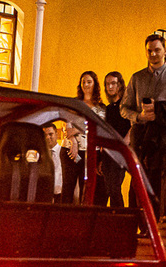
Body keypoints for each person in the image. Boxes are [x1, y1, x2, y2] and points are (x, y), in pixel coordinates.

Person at [122, 34, 166, 221]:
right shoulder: (137, 78)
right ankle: (141, 219)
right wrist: (140, 116)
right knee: (141, 176)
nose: (153, 54)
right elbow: (124, 108)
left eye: (157, 50)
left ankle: (165, 215)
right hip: (142, 133)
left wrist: (161, 110)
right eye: (149, 51)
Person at [60, 70, 104, 203]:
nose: (86, 84)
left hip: (90, 153)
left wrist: (77, 128)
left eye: (89, 82)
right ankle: (64, 219)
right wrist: (73, 140)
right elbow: (67, 127)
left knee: (86, 188)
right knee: (68, 186)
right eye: (83, 81)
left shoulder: (101, 108)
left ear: (95, 84)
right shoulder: (73, 103)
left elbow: (98, 130)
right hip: (73, 152)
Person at [101, 71, 131, 207]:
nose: (110, 87)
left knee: (114, 188)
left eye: (113, 83)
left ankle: (120, 220)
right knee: (109, 189)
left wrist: (124, 143)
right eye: (107, 84)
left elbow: (133, 126)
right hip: (108, 152)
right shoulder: (108, 109)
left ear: (120, 85)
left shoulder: (126, 106)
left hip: (120, 152)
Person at [43, 122, 65, 202]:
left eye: (50, 134)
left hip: (62, 195)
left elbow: (80, 162)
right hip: (45, 195)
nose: (48, 137)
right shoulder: (41, 155)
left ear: (56, 134)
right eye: (45, 135)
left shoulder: (66, 151)